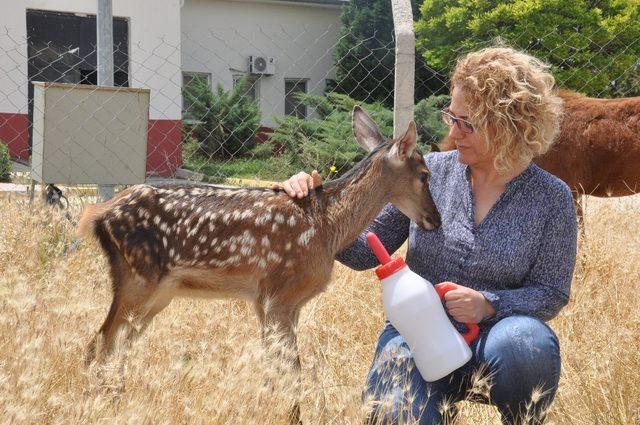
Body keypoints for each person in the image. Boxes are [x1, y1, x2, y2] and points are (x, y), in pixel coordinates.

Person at [274, 46, 576, 424]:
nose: (451, 132)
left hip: (497, 341)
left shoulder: (552, 198)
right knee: (396, 415)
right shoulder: (427, 172)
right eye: (452, 116)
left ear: (510, 127)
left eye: (466, 124)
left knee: (525, 345)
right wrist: (313, 209)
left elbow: (550, 292)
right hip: (416, 338)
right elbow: (367, 250)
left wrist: (489, 304)